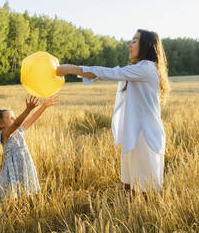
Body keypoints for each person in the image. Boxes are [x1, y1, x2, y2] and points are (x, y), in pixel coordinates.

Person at [56, 29, 170, 195]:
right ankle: (131, 218)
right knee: (129, 186)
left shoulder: (146, 68)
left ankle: (146, 220)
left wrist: (73, 69)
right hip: (134, 134)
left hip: (145, 137)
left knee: (146, 190)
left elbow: (110, 73)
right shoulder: (140, 68)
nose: (129, 45)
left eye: (134, 41)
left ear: (147, 45)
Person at [0, 95, 59, 199]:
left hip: (25, 162)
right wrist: (28, 109)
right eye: (10, 117)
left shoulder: (19, 129)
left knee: (26, 190)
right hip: (13, 167)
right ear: (1, 124)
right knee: (13, 192)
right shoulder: (4, 134)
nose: (15, 118)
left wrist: (44, 106)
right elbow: (16, 124)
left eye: (14, 116)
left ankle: (26, 206)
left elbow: (33, 118)